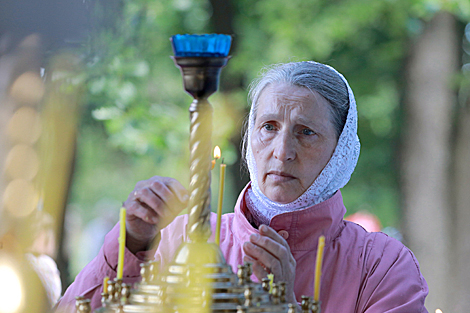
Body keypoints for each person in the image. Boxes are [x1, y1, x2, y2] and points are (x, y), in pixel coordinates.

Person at [57, 62, 428, 312]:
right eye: (269, 127)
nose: (282, 152)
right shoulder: (181, 238)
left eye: (307, 132)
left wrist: (284, 307)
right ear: (249, 137)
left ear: (341, 150)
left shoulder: (380, 266)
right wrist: (131, 246)